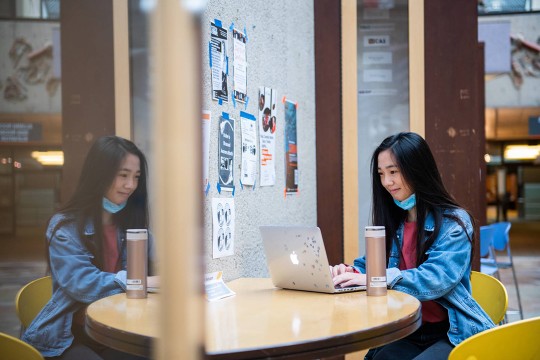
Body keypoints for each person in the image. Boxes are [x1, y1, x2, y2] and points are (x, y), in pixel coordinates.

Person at [331, 132, 494, 360]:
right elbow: (371, 264)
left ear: (417, 170)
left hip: (451, 333)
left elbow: (436, 278)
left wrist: (377, 278)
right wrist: (349, 272)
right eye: (381, 174)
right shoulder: (396, 220)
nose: (387, 182)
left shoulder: (455, 222)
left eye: (393, 172)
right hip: (407, 328)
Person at [22, 136, 159, 360]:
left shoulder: (132, 225)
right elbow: (83, 284)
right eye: (123, 175)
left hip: (120, 327)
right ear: (99, 175)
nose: (130, 185)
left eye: (136, 177)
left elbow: (161, 268)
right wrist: (141, 282)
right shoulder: (64, 227)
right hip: (70, 335)